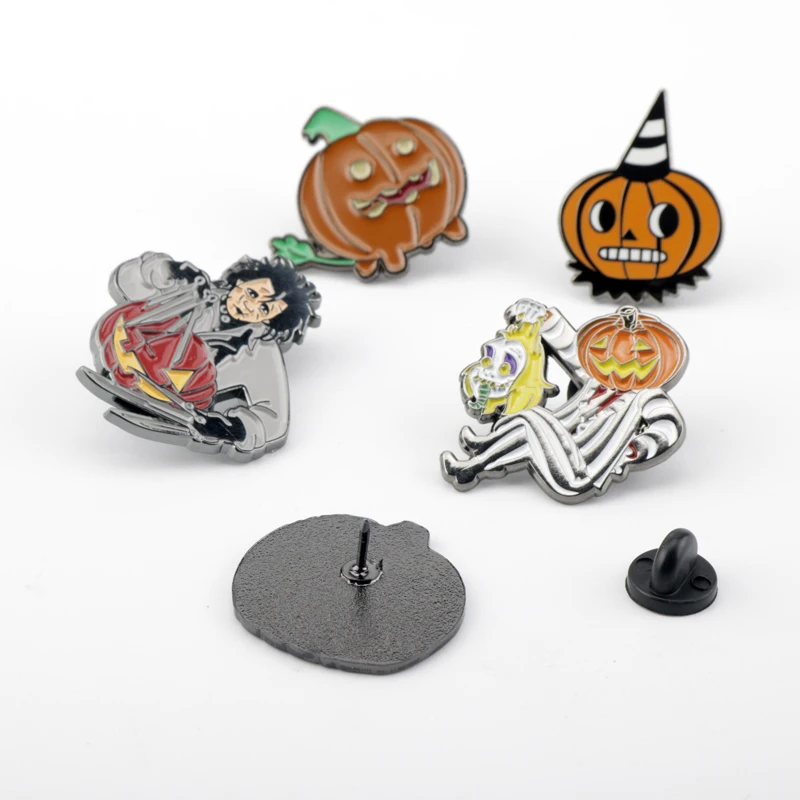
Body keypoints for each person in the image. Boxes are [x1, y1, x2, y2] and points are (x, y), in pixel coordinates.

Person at [77, 251, 320, 461]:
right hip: (128, 343)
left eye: (264, 308)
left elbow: (274, 420)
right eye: (252, 293)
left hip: (176, 395)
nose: (250, 305)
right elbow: (129, 280)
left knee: (190, 364)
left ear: (272, 322)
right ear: (240, 281)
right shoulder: (194, 288)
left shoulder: (261, 352)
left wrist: (231, 428)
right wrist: (169, 270)